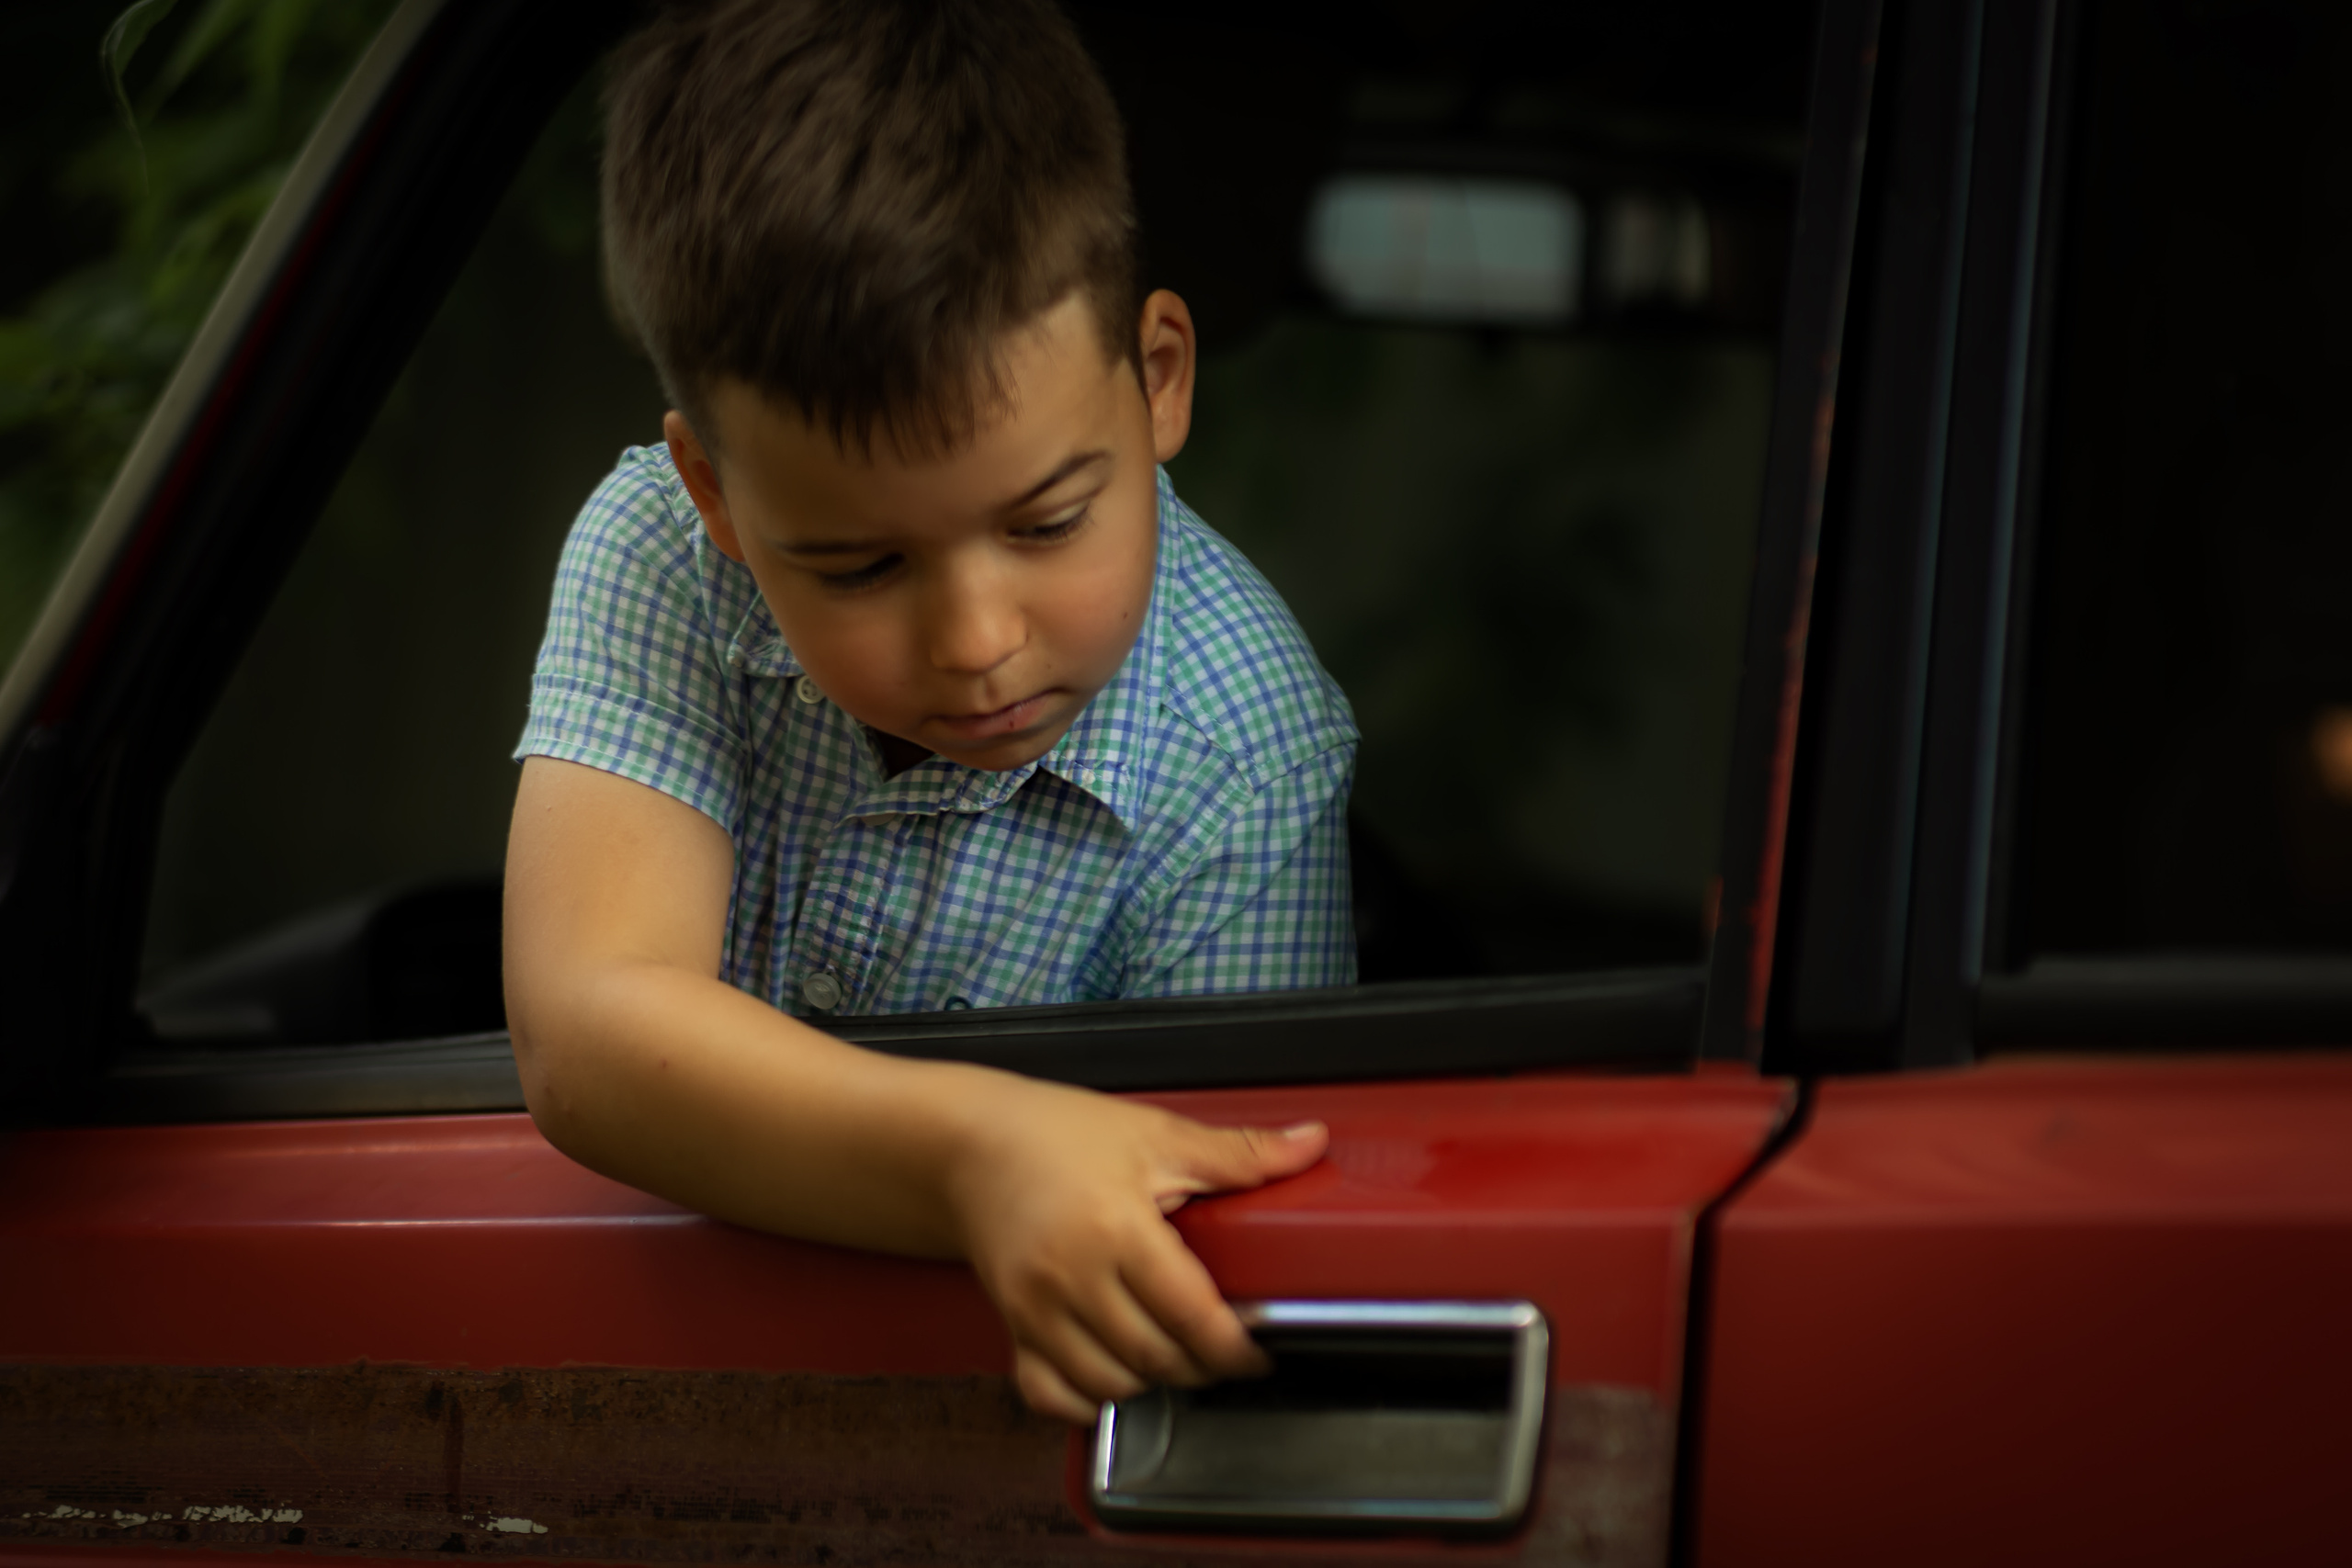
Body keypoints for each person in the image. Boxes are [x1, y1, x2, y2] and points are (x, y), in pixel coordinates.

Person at [502, 0, 1359, 1423]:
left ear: (1157, 379)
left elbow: (1215, 1210)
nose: (975, 643)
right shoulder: (662, 549)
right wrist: (982, 1158)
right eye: (861, 566)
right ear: (717, 495)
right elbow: (587, 1032)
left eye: (1046, 524)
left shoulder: (1248, 746)